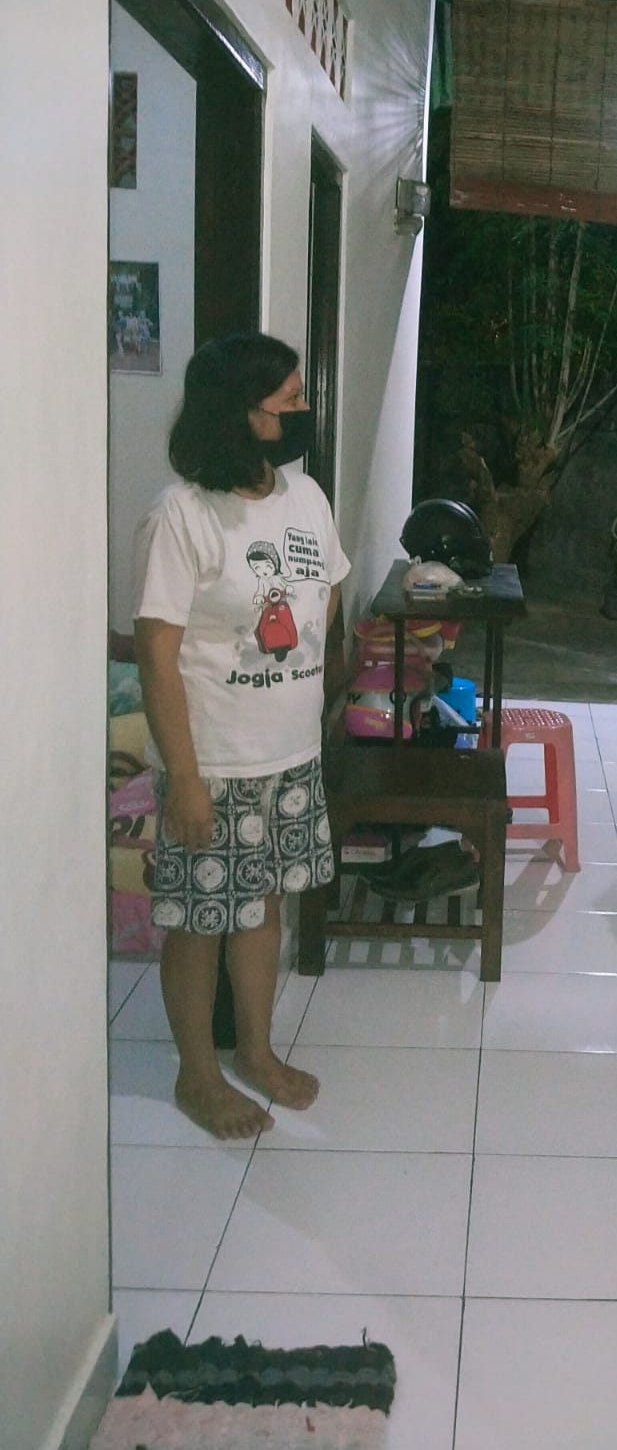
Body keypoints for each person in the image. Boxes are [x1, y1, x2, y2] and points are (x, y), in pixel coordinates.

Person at [133, 333, 350, 1140]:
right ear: (237, 412)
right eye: (288, 400)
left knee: (261, 908)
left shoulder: (306, 496)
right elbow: (157, 655)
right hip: (213, 763)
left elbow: (327, 589)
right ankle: (197, 1074)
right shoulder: (180, 515)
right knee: (199, 921)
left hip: (289, 757)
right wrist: (185, 779)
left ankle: (254, 1051)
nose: (303, 410)